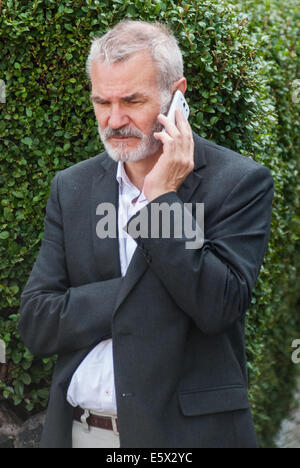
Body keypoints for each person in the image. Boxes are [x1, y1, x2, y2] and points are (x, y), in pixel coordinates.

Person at [18, 20, 274, 448]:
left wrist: (161, 201)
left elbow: (216, 307)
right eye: (102, 102)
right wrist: (140, 297)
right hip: (80, 433)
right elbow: (38, 322)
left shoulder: (238, 183)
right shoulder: (73, 187)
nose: (115, 120)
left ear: (177, 95)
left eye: (132, 100)